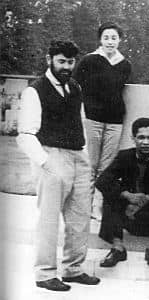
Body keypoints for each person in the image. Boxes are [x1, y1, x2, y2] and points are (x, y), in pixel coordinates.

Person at [17, 40, 100, 291]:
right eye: (61, 61)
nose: (66, 66)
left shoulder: (74, 87)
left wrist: (84, 154)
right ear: (49, 59)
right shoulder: (35, 90)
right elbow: (25, 134)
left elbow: (80, 121)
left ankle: (73, 269)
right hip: (50, 156)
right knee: (49, 219)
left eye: (70, 62)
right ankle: (45, 274)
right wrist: (46, 162)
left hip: (78, 157)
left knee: (80, 218)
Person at [95, 118, 149, 267]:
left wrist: (147, 199)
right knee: (111, 196)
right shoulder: (125, 156)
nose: (146, 142)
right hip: (130, 216)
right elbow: (102, 180)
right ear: (133, 138)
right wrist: (127, 196)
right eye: (141, 137)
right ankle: (118, 248)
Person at [73, 22, 132, 220]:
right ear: (100, 39)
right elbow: (74, 85)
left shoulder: (124, 64)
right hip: (92, 119)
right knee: (91, 164)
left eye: (114, 38)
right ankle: (85, 205)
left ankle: (98, 207)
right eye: (106, 37)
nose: (110, 41)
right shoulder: (89, 60)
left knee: (106, 167)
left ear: (120, 40)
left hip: (115, 121)